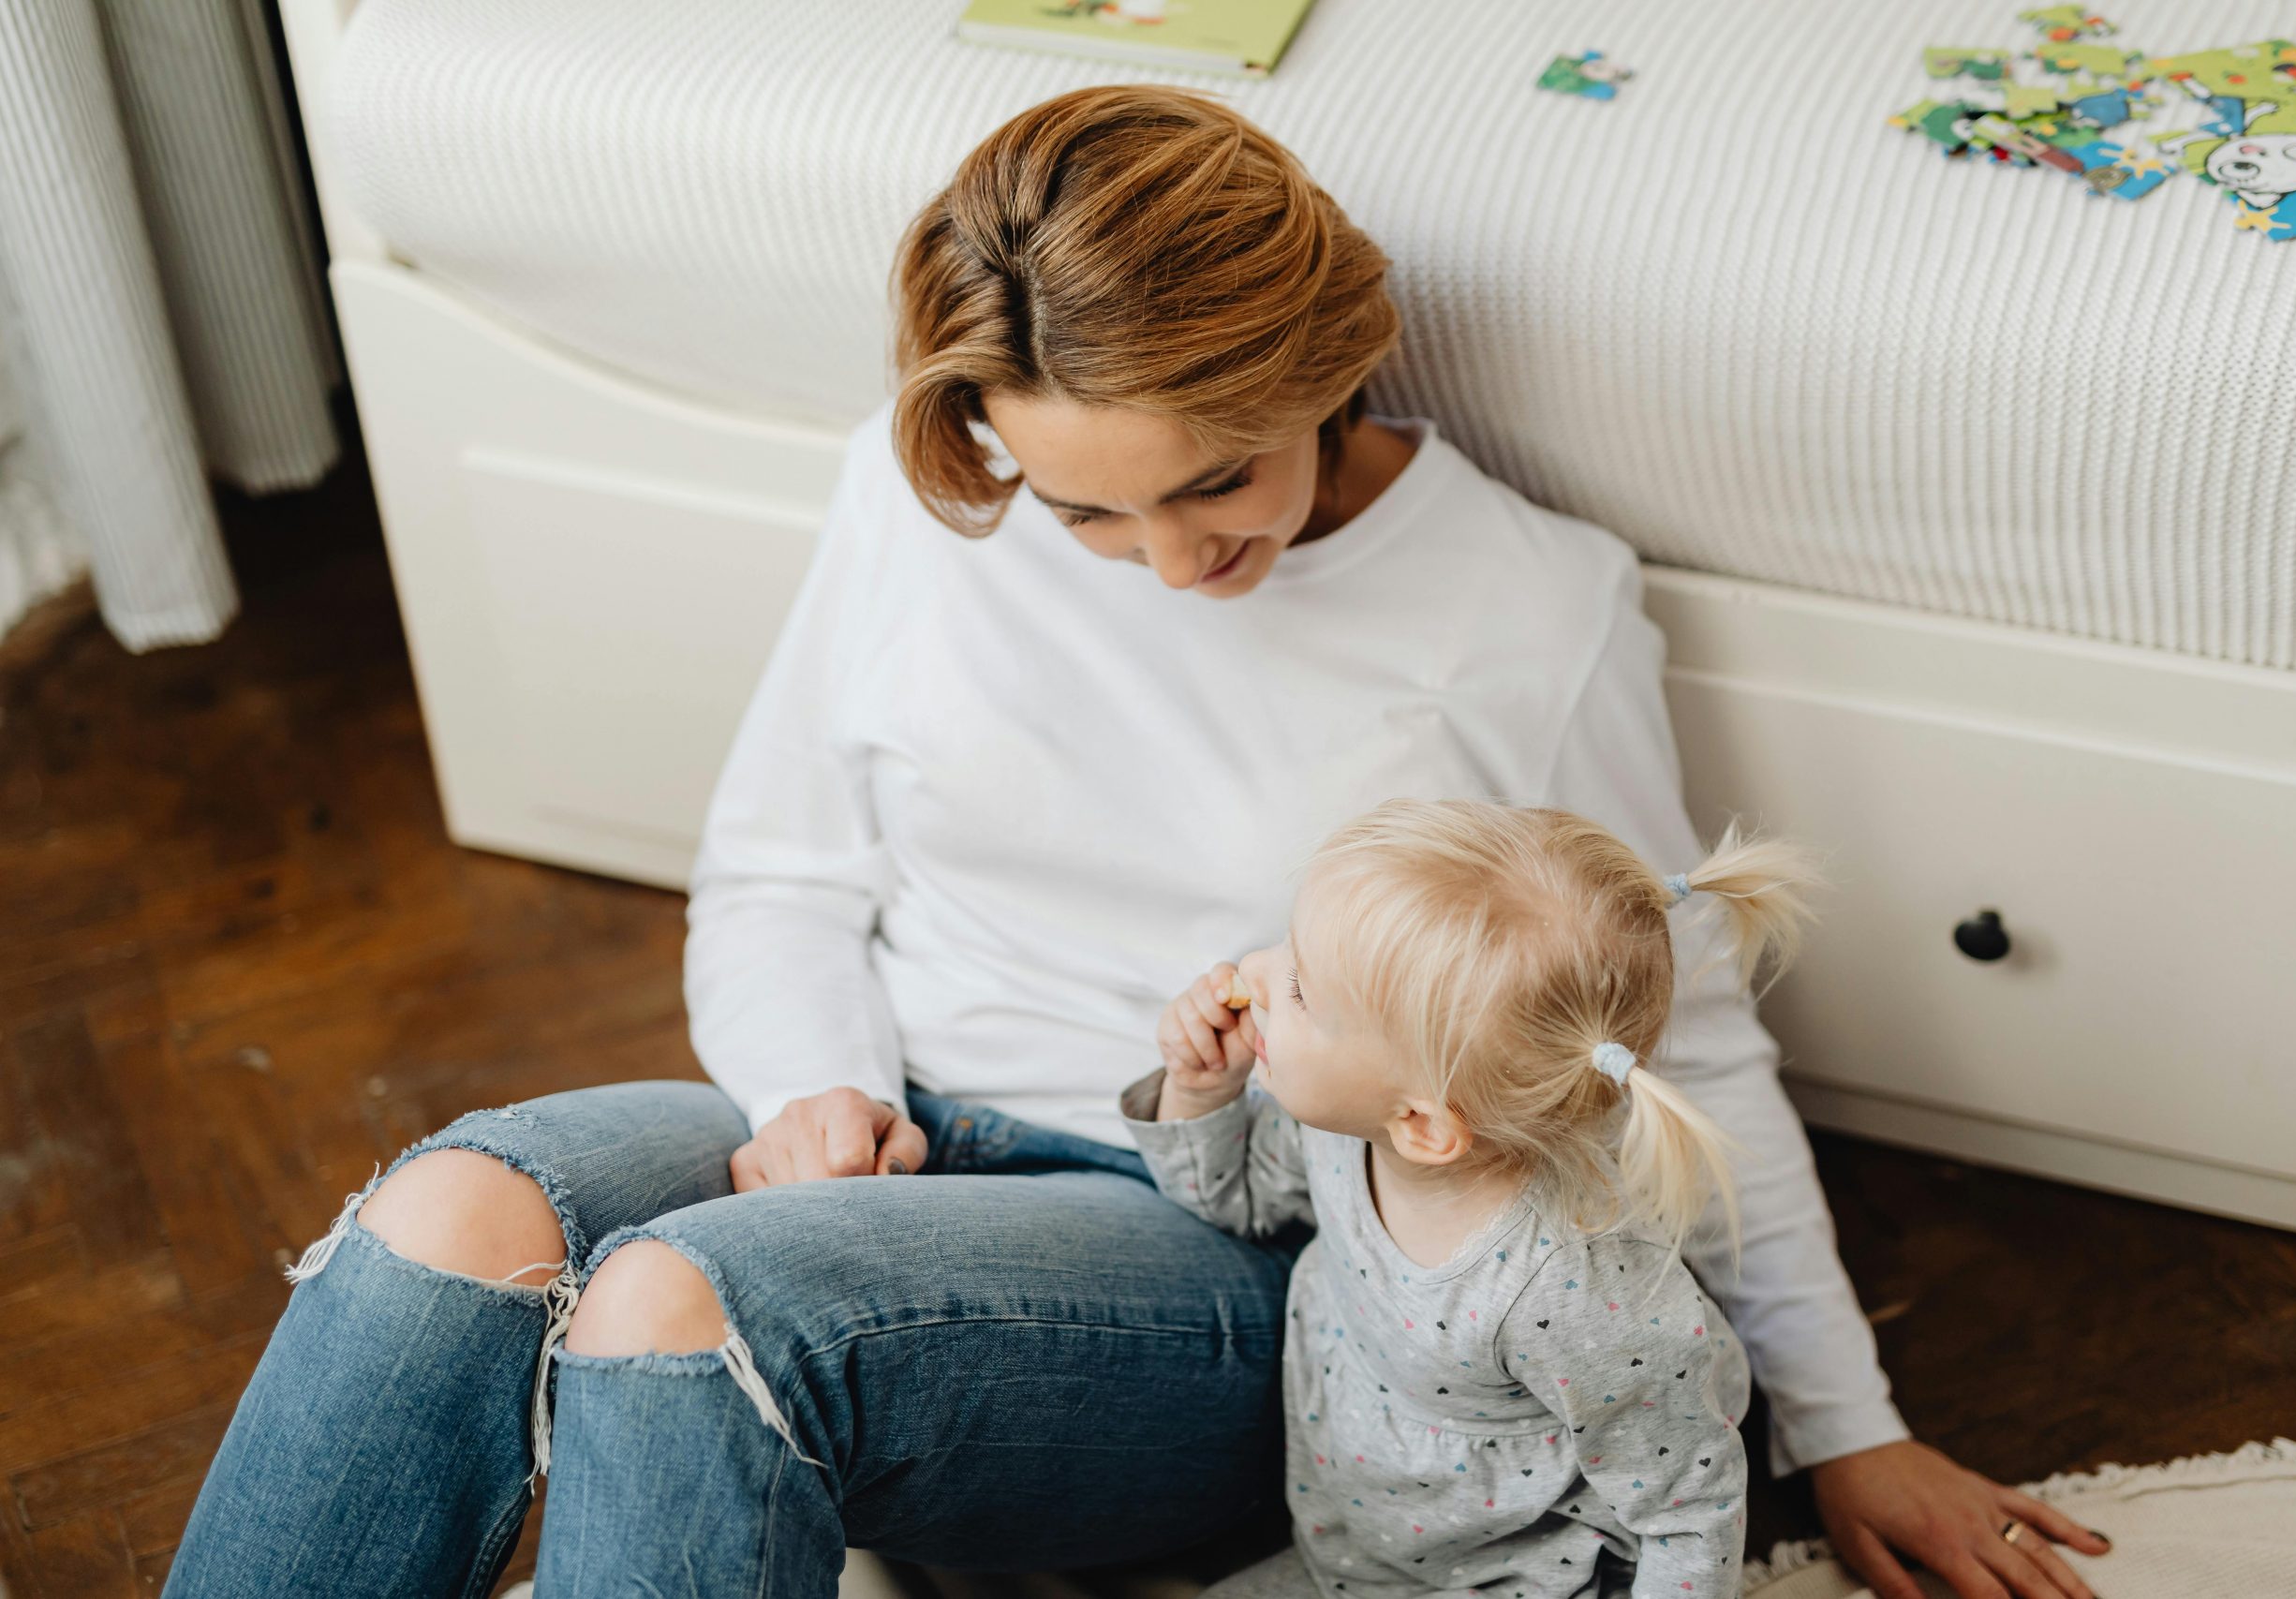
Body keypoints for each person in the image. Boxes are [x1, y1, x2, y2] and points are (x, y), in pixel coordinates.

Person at [166, 85, 2110, 1599]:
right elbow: (780, 873)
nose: (1170, 563)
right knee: (452, 1226)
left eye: (1217, 479)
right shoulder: (909, 495)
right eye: (1087, 513)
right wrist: (812, 1081)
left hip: (1232, 1233)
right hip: (903, 1122)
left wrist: (1845, 1426)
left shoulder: (1521, 609)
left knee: (683, 1313)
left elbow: (1670, 1041)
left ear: (1329, 358)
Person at [1129, 799, 1815, 1599]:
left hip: (1513, 1576)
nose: (1251, 970)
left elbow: (1690, 1509)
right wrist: (1199, 1088)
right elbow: (1230, 1203)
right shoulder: (1346, 1126)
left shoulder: (1578, 1286)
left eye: (1302, 989)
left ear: (1422, 1123)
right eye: (1287, 946)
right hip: (1357, 1549)